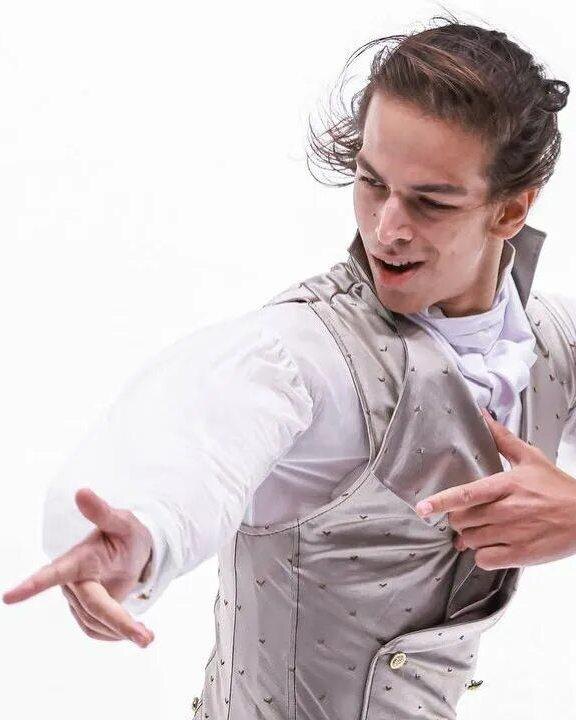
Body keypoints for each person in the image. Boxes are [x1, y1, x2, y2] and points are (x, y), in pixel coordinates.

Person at [4, 13, 576, 718]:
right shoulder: (307, 352)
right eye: (371, 183)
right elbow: (196, 440)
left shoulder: (553, 345)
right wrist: (141, 537)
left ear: (512, 210)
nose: (386, 228)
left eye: (430, 202)